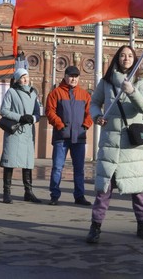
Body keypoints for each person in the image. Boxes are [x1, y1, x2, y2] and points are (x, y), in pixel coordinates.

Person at [86, 45, 143, 244]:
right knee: (104, 189)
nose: (126, 58)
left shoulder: (140, 82)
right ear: (117, 58)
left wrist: (131, 91)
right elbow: (94, 103)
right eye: (123, 55)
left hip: (132, 144)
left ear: (134, 59)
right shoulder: (106, 82)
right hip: (110, 142)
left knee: (137, 190)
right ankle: (95, 227)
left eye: (130, 55)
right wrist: (97, 116)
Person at [46, 65, 93, 205]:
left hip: (79, 137)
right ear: (65, 76)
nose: (73, 79)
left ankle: (79, 196)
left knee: (79, 169)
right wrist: (60, 125)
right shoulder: (56, 93)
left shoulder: (84, 94)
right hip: (61, 137)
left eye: (76, 76)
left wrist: (85, 126)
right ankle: (54, 195)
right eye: (71, 76)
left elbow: (90, 113)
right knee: (57, 167)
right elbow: (50, 112)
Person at [0, 68, 42, 204]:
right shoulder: (11, 92)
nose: (25, 80)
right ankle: (7, 192)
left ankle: (28, 192)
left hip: (28, 132)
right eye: (22, 77)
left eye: (26, 77)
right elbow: (4, 111)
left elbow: (37, 112)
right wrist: (20, 117)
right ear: (17, 79)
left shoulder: (33, 93)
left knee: (28, 163)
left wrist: (33, 119)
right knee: (10, 162)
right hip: (15, 132)